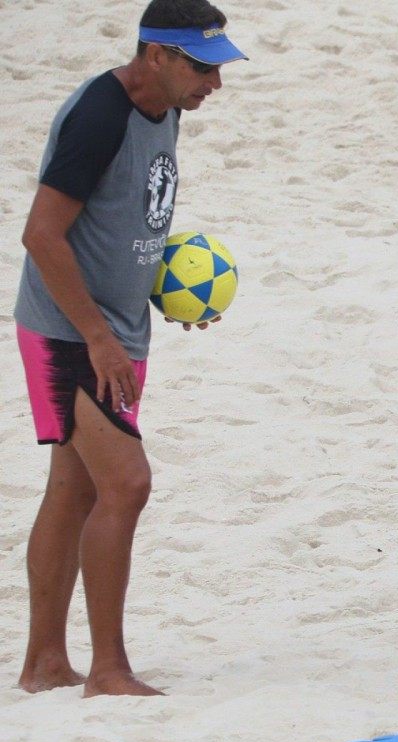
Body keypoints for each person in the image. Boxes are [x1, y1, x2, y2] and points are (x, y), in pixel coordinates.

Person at [13, 0, 246, 697]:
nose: (215, 83)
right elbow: (42, 236)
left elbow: (121, 217)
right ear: (156, 56)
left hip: (114, 327)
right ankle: (108, 671)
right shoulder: (98, 117)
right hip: (71, 333)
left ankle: (45, 664)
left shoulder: (166, 109)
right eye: (202, 67)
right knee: (128, 483)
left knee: (74, 489)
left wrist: (158, 288)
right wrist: (97, 335)